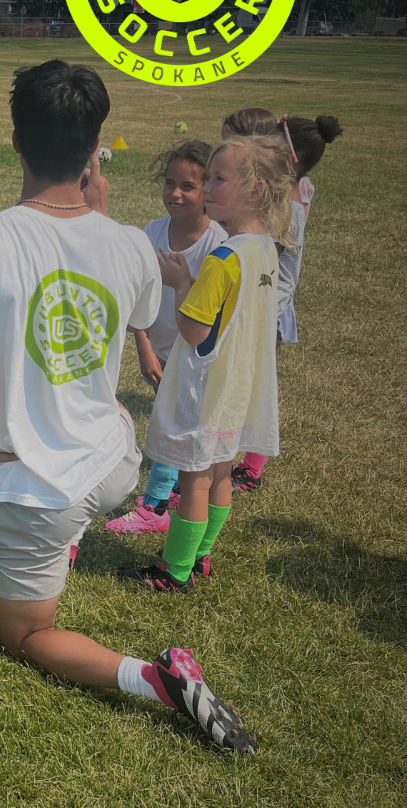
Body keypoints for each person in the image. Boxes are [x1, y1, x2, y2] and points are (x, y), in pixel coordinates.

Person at [0, 60, 255, 754]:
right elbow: (134, 310)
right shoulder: (133, 243)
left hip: (44, 484)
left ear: (15, 141)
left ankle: (157, 681)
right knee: (61, 511)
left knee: (24, 633)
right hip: (114, 466)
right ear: (97, 148)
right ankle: (62, 539)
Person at [120, 133, 293, 595]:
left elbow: (194, 332)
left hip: (206, 382)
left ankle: (173, 571)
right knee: (221, 473)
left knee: (195, 478)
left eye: (218, 179)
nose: (210, 187)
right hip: (239, 384)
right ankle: (202, 556)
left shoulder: (222, 258)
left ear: (254, 191)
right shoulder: (264, 251)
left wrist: (181, 282)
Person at [108, 139, 226, 535]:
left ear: (207, 190)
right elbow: (136, 298)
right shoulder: (151, 233)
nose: (175, 194)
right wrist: (143, 346)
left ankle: (154, 506)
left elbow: (210, 315)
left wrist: (182, 283)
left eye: (188, 186)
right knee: (171, 419)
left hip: (196, 355)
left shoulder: (218, 245)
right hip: (157, 350)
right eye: (169, 182)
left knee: (173, 426)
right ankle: (174, 488)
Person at [229, 112, 342, 492]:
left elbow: (258, 251)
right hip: (271, 304)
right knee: (254, 383)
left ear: (288, 157)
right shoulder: (301, 187)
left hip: (267, 309)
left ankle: (249, 467)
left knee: (251, 385)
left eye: (269, 144)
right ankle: (242, 460)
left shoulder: (285, 208)